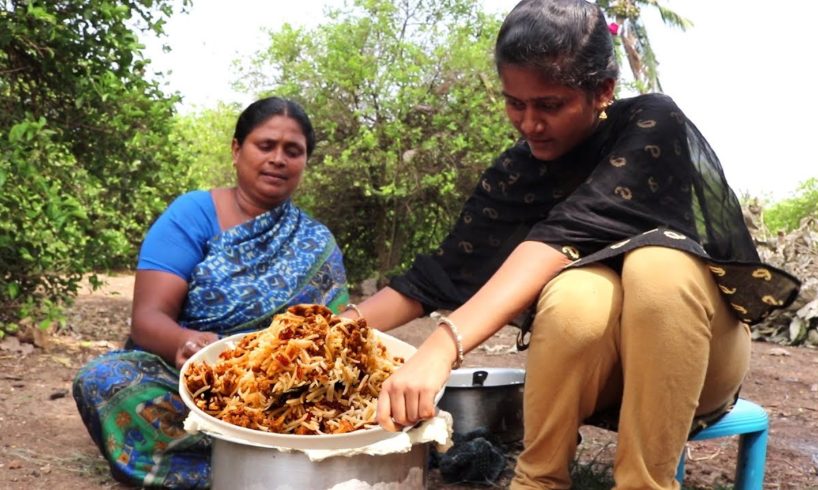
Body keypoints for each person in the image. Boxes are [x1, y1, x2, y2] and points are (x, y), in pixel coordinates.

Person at [339, 1, 801, 489]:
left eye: (550, 105)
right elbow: (434, 277)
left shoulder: (650, 124)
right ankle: (539, 480)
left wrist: (441, 347)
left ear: (603, 90)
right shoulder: (515, 172)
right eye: (515, 103)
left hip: (695, 364)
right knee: (578, 291)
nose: (529, 123)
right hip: (592, 379)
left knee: (658, 266)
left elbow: (561, 237)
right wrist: (328, 328)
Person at [72, 96, 349, 488]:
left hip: (283, 395)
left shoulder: (316, 242)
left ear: (305, 162)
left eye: (293, 151)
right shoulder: (193, 215)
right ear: (237, 150)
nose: (278, 159)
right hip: (190, 382)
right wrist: (190, 345)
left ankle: (260, 459)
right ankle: (259, 469)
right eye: (265, 145)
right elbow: (148, 320)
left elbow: (335, 338)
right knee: (105, 379)